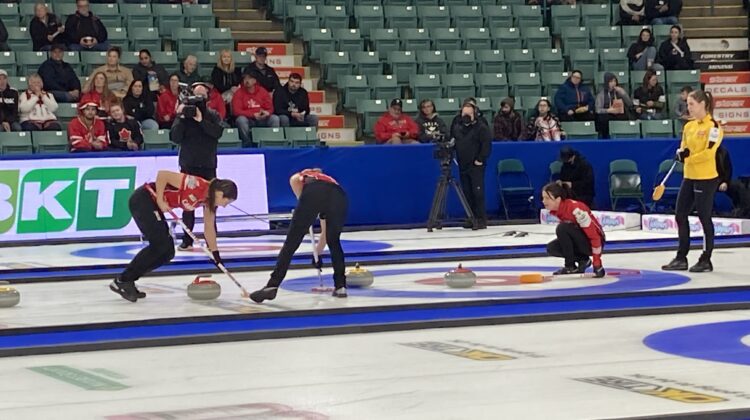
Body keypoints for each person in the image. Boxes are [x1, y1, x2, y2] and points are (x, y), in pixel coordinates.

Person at [111, 171, 237, 302]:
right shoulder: (196, 184)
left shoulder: (209, 202)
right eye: (226, 202)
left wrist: (215, 254)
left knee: (168, 252)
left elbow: (209, 227)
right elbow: (162, 175)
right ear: (220, 193)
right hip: (144, 199)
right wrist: (160, 199)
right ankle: (122, 280)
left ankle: (129, 280)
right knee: (159, 245)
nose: (223, 206)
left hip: (154, 206)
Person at [250, 168, 348, 303]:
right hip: (339, 197)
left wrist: (305, 209)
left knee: (291, 242)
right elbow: (325, 231)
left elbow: (303, 199)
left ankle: (272, 285)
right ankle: (340, 286)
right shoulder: (330, 181)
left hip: (313, 194)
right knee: (334, 242)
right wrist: (317, 253)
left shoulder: (299, 177)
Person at [662, 90, 723, 273]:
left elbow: (709, 153)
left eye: (691, 104)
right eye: (688, 104)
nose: (688, 107)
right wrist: (681, 153)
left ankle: (706, 258)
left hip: (706, 177)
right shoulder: (689, 126)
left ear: (703, 104)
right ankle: (681, 257)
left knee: (704, 217)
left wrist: (688, 158)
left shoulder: (714, 127)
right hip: (689, 176)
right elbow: (684, 146)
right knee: (680, 214)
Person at [169, 85, 224, 251]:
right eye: (196, 95)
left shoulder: (213, 115)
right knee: (188, 205)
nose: (199, 99)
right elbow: (174, 137)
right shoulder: (185, 116)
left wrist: (201, 121)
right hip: (189, 165)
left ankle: (211, 239)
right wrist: (180, 116)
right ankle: (187, 239)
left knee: (210, 204)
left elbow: (217, 133)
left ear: (207, 97)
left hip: (208, 165)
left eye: (202, 95)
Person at [542, 182, 606, 277]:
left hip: (595, 242)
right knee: (552, 248)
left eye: (547, 198)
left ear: (558, 199)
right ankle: (582, 260)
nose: (543, 201)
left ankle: (570, 266)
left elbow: (595, 237)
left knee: (562, 228)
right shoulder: (559, 210)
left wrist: (597, 264)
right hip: (582, 239)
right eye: (543, 198)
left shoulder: (576, 210)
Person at [452, 100, 491, 230]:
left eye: (469, 113)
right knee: (466, 192)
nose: (466, 116)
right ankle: (470, 217)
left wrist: (480, 159)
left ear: (475, 114)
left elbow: (486, 145)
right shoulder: (457, 126)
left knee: (477, 192)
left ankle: (481, 219)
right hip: (463, 164)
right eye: (464, 113)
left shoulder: (481, 127)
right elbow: (453, 139)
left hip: (476, 165)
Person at [232, 73, 279, 147]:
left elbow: (270, 108)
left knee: (274, 118)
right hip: (248, 119)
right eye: (245, 79)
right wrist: (252, 114)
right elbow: (236, 111)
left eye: (250, 78)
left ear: (255, 80)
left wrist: (266, 113)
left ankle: (272, 143)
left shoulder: (262, 91)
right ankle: (247, 144)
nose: (247, 81)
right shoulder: (239, 93)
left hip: (262, 118)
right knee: (241, 120)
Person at [595, 72, 634, 138]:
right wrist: (608, 110)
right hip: (608, 114)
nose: (613, 83)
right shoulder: (601, 94)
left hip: (618, 113)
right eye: (611, 81)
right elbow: (598, 110)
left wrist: (623, 93)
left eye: (614, 81)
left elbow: (630, 104)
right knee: (602, 118)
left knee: (625, 116)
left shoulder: (620, 92)